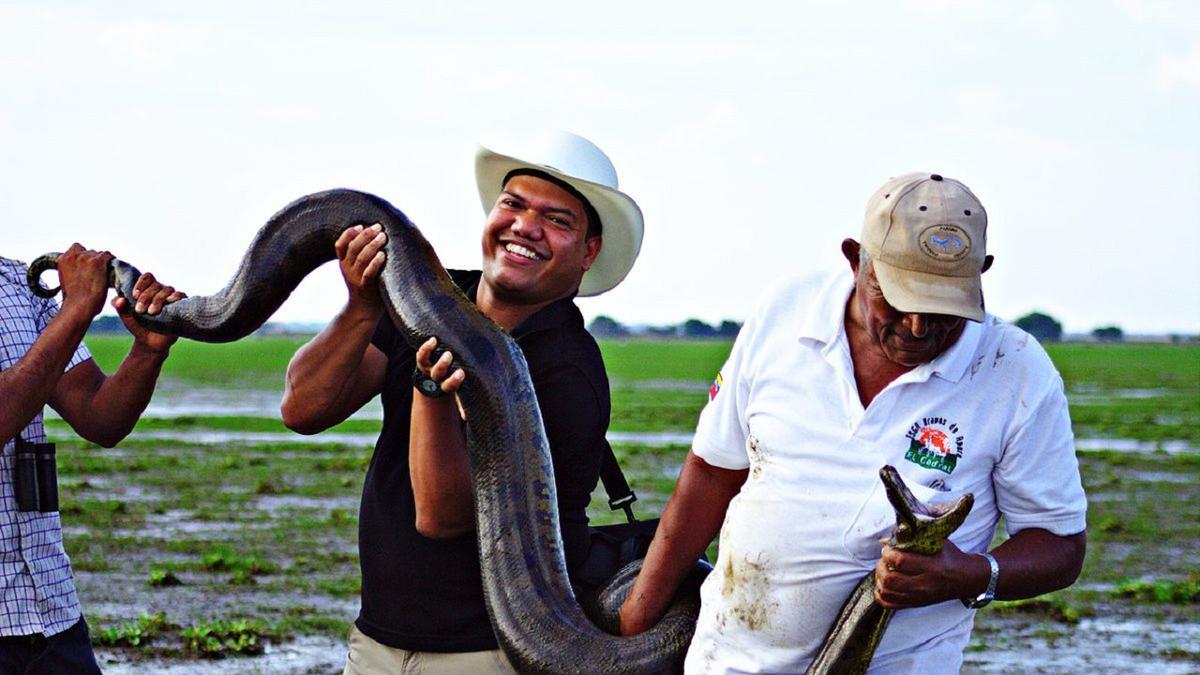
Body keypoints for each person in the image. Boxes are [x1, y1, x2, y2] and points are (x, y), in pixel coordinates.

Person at [619, 173, 1088, 673]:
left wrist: (970, 574)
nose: (916, 329)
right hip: (729, 659)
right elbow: (712, 473)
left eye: (942, 309)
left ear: (981, 275)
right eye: (896, 299)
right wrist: (633, 627)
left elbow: (1059, 544)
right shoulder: (787, 313)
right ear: (855, 259)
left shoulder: (1014, 369)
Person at [281, 131, 644, 674]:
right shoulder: (430, 296)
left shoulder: (567, 368)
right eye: (513, 204)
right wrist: (361, 307)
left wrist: (431, 391)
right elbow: (302, 408)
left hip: (487, 656)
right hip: (376, 640)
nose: (525, 227)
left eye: (557, 220)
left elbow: (443, 515)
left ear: (589, 251)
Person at [0, 245, 183, 674]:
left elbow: (100, 417)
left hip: (51, 613)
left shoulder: (16, 283)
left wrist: (149, 349)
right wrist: (78, 308)